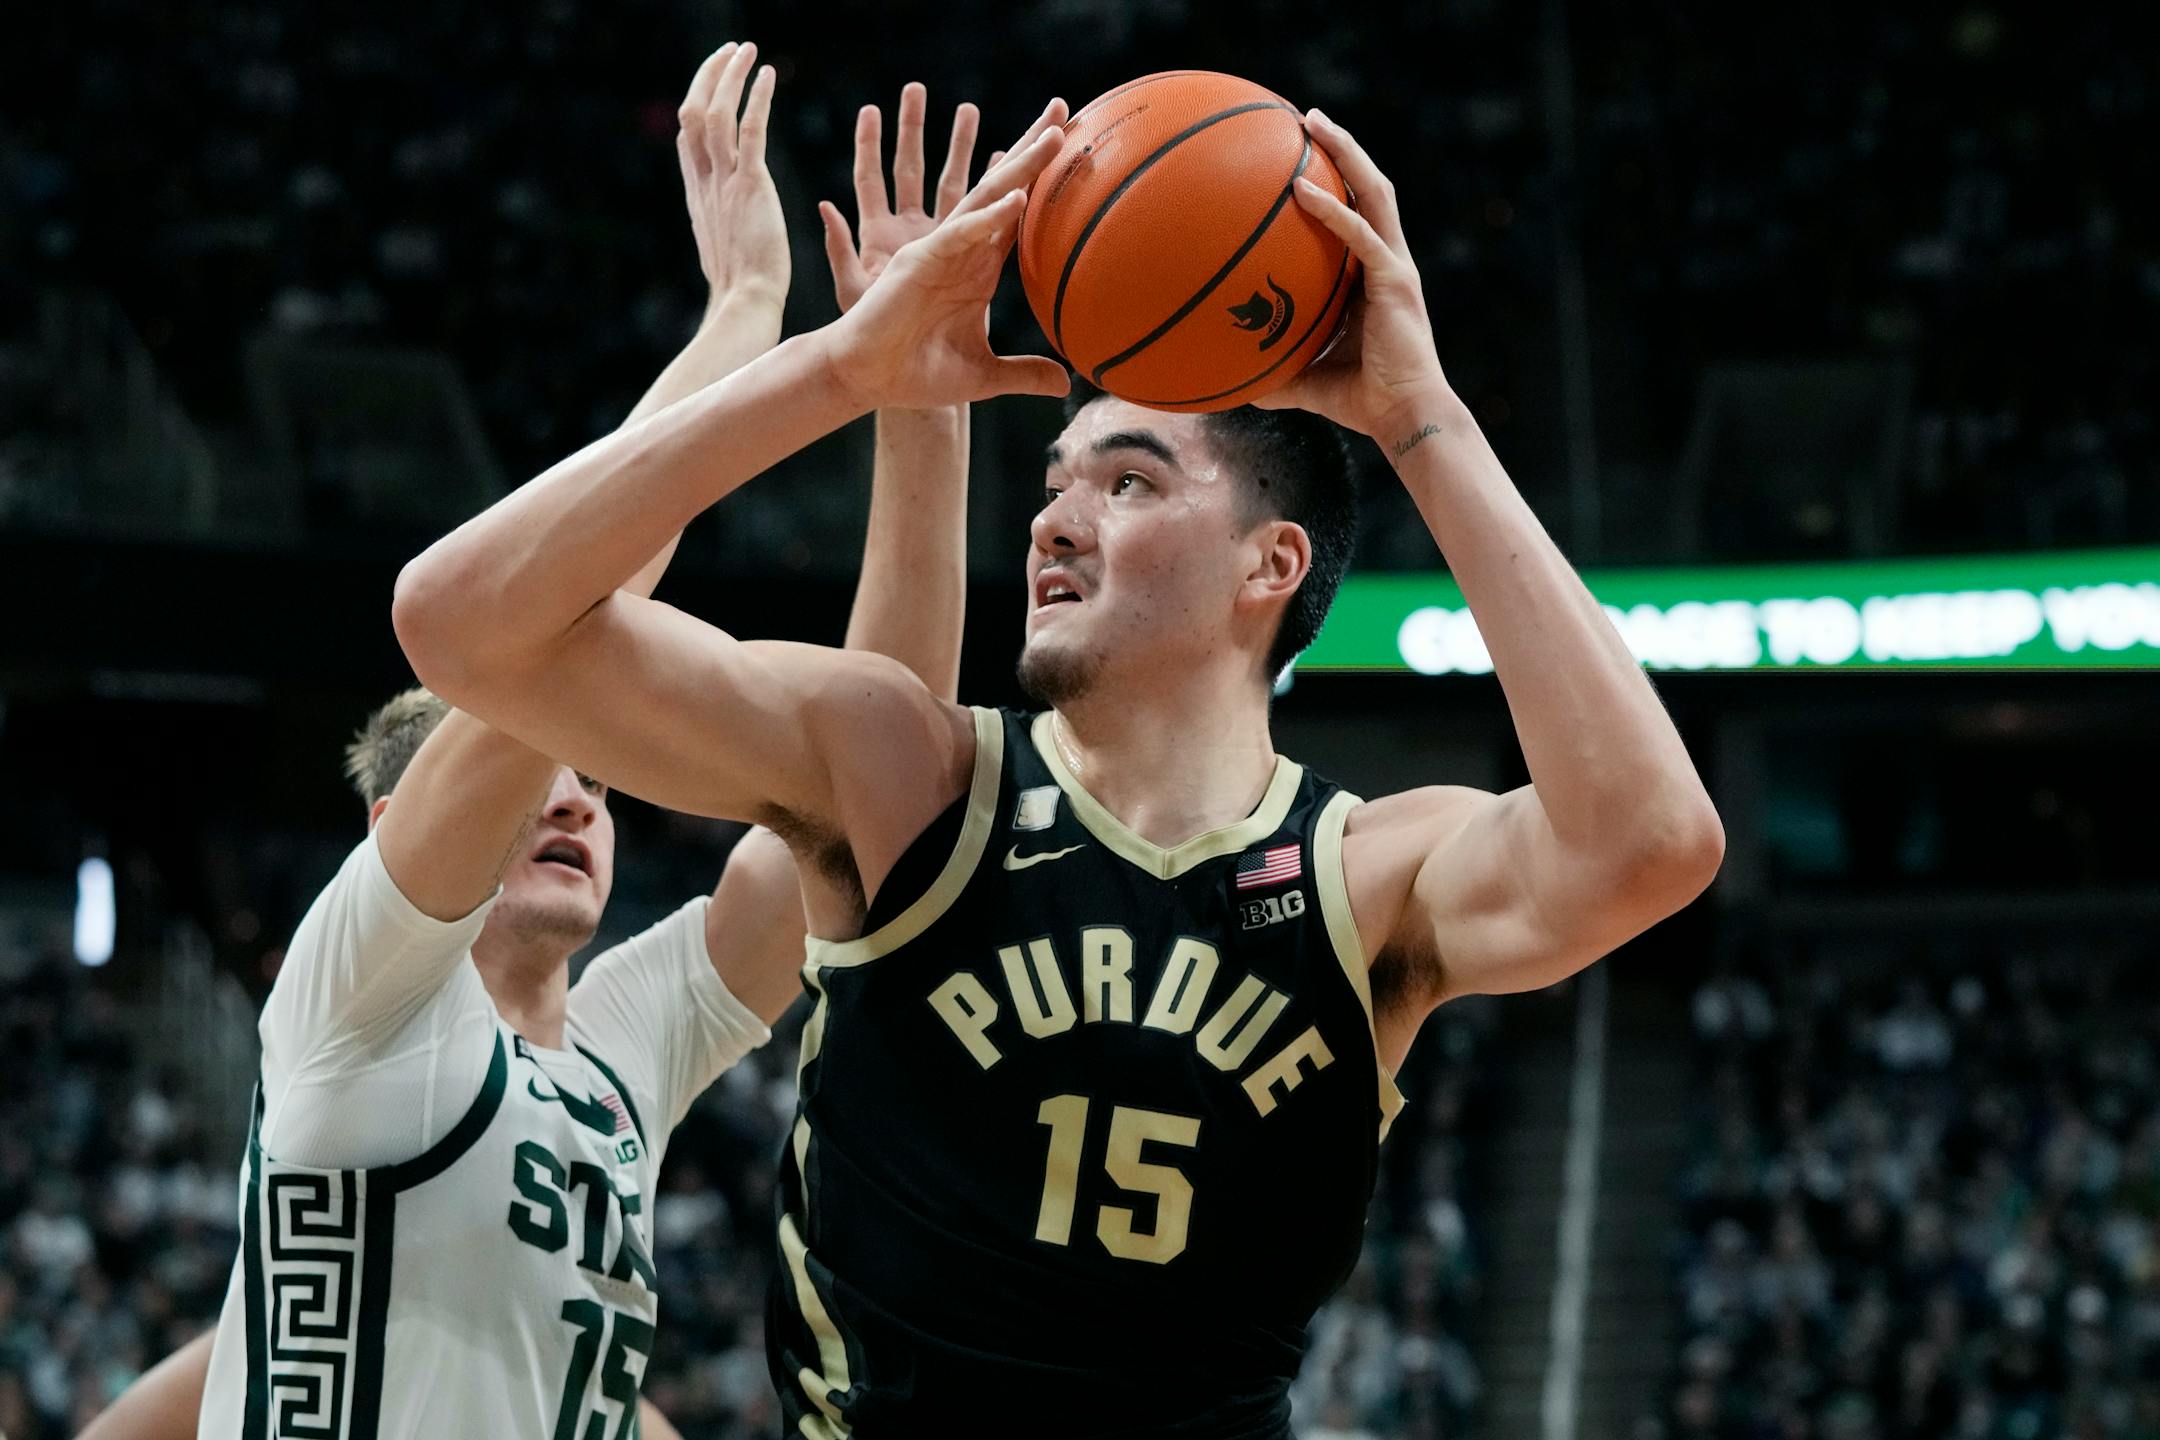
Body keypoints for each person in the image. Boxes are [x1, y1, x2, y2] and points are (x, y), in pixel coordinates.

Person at [394, 96, 1725, 1437]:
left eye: (1130, 483)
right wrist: (842, 371)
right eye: (1052, 481)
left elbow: (1652, 841)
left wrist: (1422, 418)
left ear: (1273, 565)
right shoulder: (911, 773)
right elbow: (464, 624)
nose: (1057, 519)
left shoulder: (1366, 875)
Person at [78, 48, 993, 1440]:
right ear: (397, 836)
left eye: (596, 783)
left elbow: (867, 778)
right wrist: (749, 320)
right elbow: (555, 610)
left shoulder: (626, 1038)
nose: (575, 800)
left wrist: (924, 408)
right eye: (534, 774)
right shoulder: (362, 994)